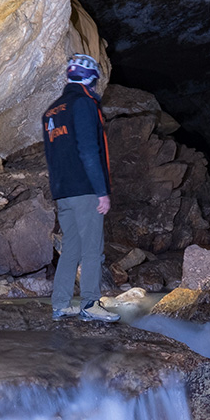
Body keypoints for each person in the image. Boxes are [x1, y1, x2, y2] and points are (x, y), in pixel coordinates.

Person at [42, 53, 119, 322]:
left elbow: (53, 157)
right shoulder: (84, 104)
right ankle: (90, 304)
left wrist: (58, 189)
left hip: (63, 191)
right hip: (85, 190)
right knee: (92, 249)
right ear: (90, 80)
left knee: (72, 247)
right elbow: (89, 151)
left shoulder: (51, 111)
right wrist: (101, 191)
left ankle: (61, 303)